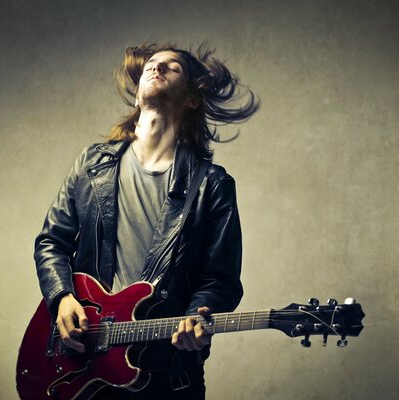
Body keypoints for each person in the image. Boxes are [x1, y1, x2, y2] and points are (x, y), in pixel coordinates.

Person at [34, 42, 258, 399]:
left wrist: (197, 316)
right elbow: (52, 241)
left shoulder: (212, 185)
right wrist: (61, 298)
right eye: (152, 65)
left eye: (172, 67)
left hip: (165, 376)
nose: (157, 68)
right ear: (137, 95)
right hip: (84, 364)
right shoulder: (93, 163)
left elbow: (220, 278)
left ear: (192, 99)